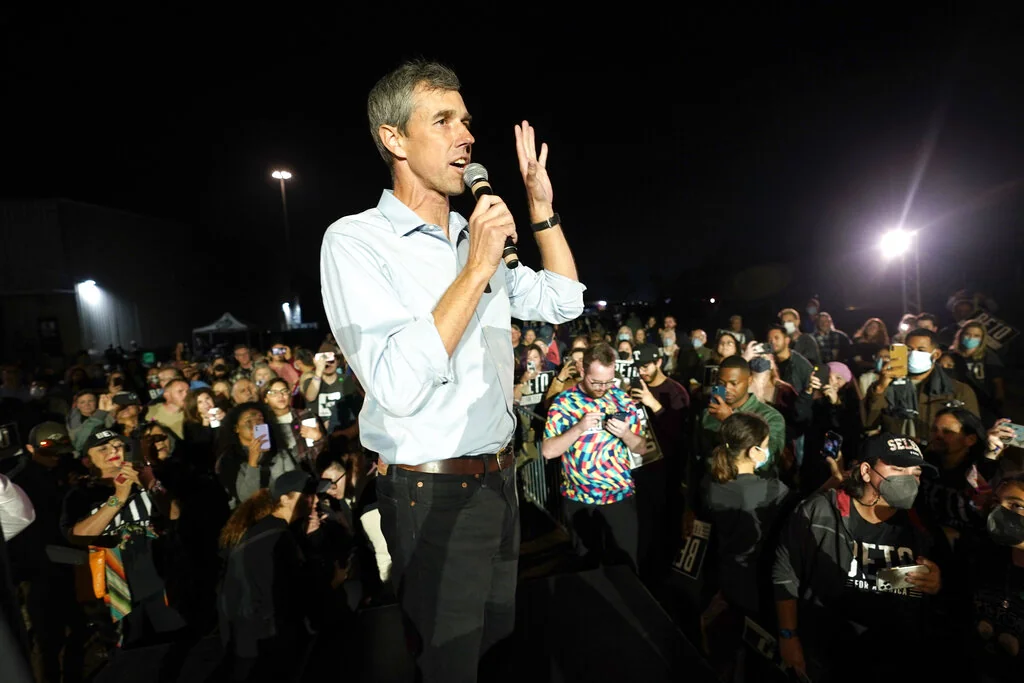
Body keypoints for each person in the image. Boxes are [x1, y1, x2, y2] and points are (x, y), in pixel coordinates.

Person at [319, 60, 584, 682]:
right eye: (442, 121)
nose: (466, 135)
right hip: (431, 494)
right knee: (448, 663)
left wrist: (542, 210)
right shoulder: (356, 242)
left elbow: (563, 301)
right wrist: (475, 270)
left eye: (465, 121)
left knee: (495, 652)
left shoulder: (474, 234)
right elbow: (396, 384)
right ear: (394, 140)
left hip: (500, 482)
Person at [773, 433, 946, 680]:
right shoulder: (820, 512)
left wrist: (937, 583)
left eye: (916, 473)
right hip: (824, 653)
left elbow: (930, 587)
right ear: (866, 471)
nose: (909, 480)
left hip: (891, 659)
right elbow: (786, 572)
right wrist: (788, 636)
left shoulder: (921, 526)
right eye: (898, 468)